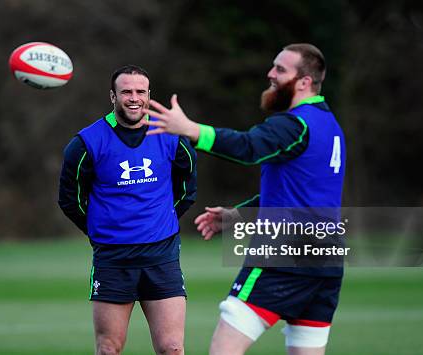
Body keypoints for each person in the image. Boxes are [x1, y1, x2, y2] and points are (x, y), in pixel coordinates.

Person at [143, 44, 345, 355]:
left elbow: (249, 147)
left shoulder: (295, 124)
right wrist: (238, 216)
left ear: (304, 81)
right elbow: (297, 195)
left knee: (224, 349)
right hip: (325, 261)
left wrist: (192, 130)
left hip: (284, 257)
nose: (271, 74)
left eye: (280, 69)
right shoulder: (330, 125)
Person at [58, 65, 197, 355]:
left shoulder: (171, 135)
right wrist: (100, 228)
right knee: (109, 348)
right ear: (113, 96)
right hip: (113, 259)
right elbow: (70, 199)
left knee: (172, 348)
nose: (134, 98)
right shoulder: (86, 143)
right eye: (126, 92)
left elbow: (187, 189)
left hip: (162, 256)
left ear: (149, 95)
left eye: (140, 92)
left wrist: (160, 220)